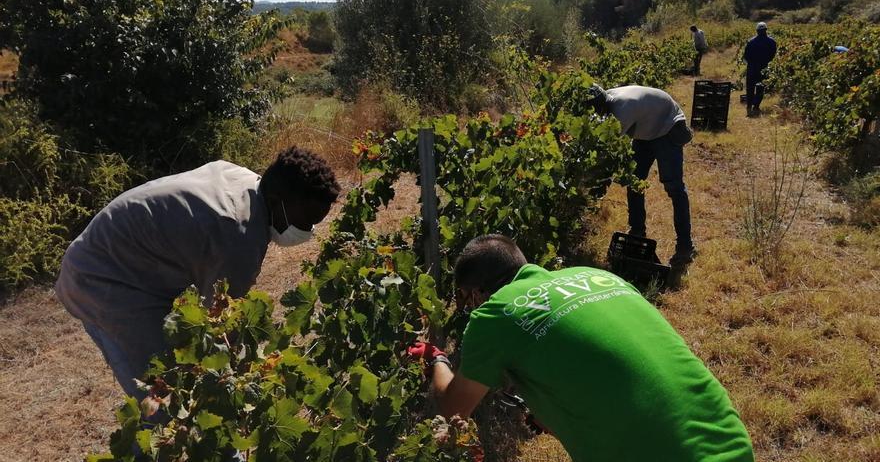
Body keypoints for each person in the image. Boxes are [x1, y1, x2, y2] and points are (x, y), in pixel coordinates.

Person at [408, 234, 755, 462]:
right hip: (731, 441)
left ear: (476, 294)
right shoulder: (599, 276)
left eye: (467, 303)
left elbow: (454, 407)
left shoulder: (494, 313)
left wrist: (436, 358)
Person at [55, 146, 340, 401]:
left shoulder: (243, 179)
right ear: (279, 199)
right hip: (102, 282)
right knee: (166, 401)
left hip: (111, 260)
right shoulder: (236, 236)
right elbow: (221, 327)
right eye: (305, 222)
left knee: (180, 388)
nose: (307, 232)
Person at [585, 84, 696, 266]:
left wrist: (595, 181)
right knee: (634, 181)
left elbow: (607, 151)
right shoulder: (606, 99)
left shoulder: (622, 110)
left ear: (601, 105)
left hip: (667, 125)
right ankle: (637, 231)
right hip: (646, 129)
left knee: (674, 188)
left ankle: (685, 246)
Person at [743, 22, 777, 117]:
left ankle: (749, 107)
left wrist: (751, 63)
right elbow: (773, 56)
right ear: (766, 30)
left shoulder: (751, 42)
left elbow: (745, 56)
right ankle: (756, 106)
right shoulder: (772, 42)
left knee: (750, 88)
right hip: (764, 68)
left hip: (752, 68)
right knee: (760, 88)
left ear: (757, 31)